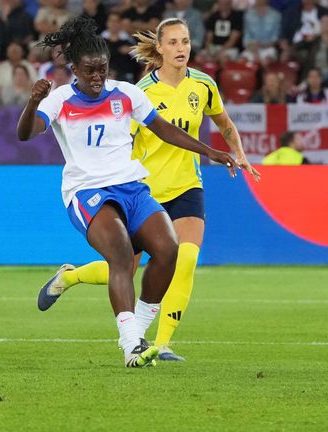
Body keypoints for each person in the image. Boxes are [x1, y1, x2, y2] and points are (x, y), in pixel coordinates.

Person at [17, 16, 239, 367]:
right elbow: (26, 134)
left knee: (168, 251)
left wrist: (209, 151)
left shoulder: (126, 93)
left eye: (102, 69)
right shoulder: (59, 99)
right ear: (74, 68)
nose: (96, 77)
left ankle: (140, 330)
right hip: (87, 191)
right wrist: (32, 102)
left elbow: (164, 130)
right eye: (89, 70)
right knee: (121, 257)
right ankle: (131, 344)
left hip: (131, 186)